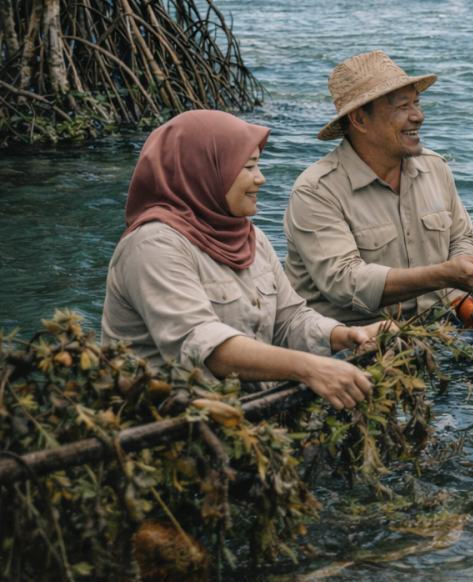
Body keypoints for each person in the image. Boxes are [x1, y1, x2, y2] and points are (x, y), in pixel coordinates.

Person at [101, 110, 387, 410]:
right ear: (203, 170)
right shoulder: (154, 245)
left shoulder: (251, 237)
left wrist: (346, 336)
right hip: (171, 420)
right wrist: (310, 368)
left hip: (244, 411)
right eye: (248, 166)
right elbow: (204, 347)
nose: (260, 178)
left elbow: (289, 321)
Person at [284, 51, 473, 326]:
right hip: (353, 341)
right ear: (359, 120)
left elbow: (461, 237)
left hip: (438, 329)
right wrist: (444, 275)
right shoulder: (316, 191)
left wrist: (463, 267)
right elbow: (345, 284)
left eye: (416, 103)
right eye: (402, 106)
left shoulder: (435, 168)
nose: (419, 116)